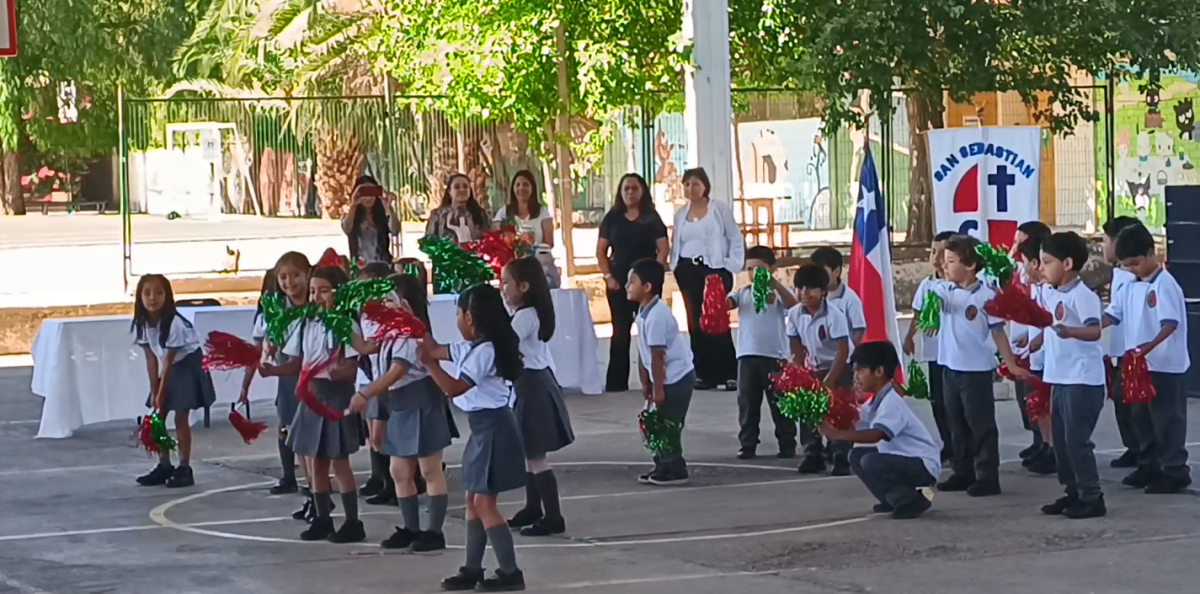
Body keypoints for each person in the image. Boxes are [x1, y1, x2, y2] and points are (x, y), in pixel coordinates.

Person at [419, 284, 527, 591]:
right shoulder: (471, 347)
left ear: (470, 317)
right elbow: (436, 348)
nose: (457, 321)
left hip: (494, 429)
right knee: (473, 499)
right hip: (483, 429)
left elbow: (453, 388)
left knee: (484, 502)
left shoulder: (485, 351)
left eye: (458, 315)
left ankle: (511, 572)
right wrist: (409, 323)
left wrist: (429, 365)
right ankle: (472, 568)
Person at [348, 273, 453, 554]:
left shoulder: (409, 334)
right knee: (398, 470)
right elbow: (382, 372)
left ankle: (434, 532)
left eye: (387, 299)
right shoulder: (385, 335)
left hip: (421, 402)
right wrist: (379, 413)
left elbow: (396, 371)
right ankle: (411, 528)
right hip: (399, 405)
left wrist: (364, 394)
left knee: (429, 469)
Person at [262, 265, 367, 543]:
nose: (316, 297)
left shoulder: (345, 324)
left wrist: (337, 373)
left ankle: (353, 522)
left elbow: (354, 366)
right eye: (312, 291)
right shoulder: (306, 323)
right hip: (312, 396)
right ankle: (322, 519)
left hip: (336, 398)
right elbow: (297, 363)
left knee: (340, 462)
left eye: (324, 291)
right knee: (316, 462)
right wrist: (272, 370)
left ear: (338, 293)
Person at [932, 235, 1025, 498]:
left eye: (951, 261)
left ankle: (987, 476)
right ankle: (963, 471)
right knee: (955, 421)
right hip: (949, 367)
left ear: (971, 265)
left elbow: (998, 332)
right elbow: (929, 311)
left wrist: (1010, 364)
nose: (944, 266)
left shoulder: (986, 296)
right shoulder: (943, 291)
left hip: (975, 370)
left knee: (980, 423)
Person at [1104, 223, 1192, 494]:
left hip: (1164, 365)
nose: (1131, 269)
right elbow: (1113, 314)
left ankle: (1174, 470)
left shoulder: (1165, 284)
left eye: (1135, 263)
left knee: (1166, 419)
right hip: (1137, 364)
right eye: (1126, 265)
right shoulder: (1129, 286)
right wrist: (1087, 327)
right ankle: (1148, 465)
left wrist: (1148, 347)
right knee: (1140, 416)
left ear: (1151, 253)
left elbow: (1169, 324)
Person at [821, 340, 942, 520]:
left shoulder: (891, 402)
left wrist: (837, 434)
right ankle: (891, 499)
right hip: (903, 459)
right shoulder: (874, 402)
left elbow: (876, 435)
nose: (856, 377)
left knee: (871, 461)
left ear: (879, 371)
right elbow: (856, 424)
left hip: (923, 465)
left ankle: (909, 500)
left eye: (860, 370)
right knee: (856, 456)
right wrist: (826, 416)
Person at [501, 257, 576, 536]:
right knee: (529, 452)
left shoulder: (525, 316)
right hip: (529, 384)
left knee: (535, 456)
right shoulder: (525, 313)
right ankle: (533, 507)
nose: (502, 288)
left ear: (524, 286)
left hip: (533, 386)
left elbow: (505, 344)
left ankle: (553, 516)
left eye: (506, 282)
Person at [1038, 231, 1108, 519]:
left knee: (1077, 440)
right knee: (1061, 441)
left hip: (1082, 379)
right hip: (1060, 376)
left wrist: (1070, 331)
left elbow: (1094, 330)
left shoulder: (1083, 296)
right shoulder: (1050, 292)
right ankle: (1073, 491)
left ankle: (1092, 496)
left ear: (1067, 263)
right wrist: (1036, 340)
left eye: (1047, 262)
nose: (1042, 268)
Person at [133, 274, 217, 489]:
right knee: (158, 416)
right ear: (139, 296)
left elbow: (169, 362)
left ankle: (184, 467)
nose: (153, 298)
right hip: (170, 366)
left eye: (159, 293)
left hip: (187, 364)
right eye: (147, 293)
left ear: (168, 296)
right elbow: (151, 359)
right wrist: (154, 391)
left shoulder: (174, 324)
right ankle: (164, 465)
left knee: (181, 415)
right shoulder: (142, 323)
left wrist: (161, 394)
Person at [248, 253, 315, 509]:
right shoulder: (276, 310)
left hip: (313, 374)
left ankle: (316, 488)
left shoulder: (317, 307)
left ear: (308, 275)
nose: (289, 282)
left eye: (296, 275)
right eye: (283, 277)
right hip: (288, 376)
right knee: (290, 429)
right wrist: (268, 355)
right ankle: (301, 483)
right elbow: (268, 343)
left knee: (312, 436)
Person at [669, 167, 745, 391]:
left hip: (714, 270)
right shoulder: (680, 214)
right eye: (686, 184)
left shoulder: (719, 209)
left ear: (705, 186)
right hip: (687, 270)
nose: (690, 188)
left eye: (695, 184)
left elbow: (734, 237)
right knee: (695, 322)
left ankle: (729, 372)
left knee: (716, 319)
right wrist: (676, 266)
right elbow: (677, 242)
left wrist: (730, 263)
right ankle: (703, 373)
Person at [596, 173, 669, 392]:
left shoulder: (651, 217)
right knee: (620, 331)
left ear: (642, 191)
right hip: (619, 284)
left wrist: (654, 276)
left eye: (634, 188)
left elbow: (663, 248)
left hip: (646, 286)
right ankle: (616, 382)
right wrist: (608, 276)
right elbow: (601, 251)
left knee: (649, 331)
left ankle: (653, 380)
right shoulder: (612, 218)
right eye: (626, 188)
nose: (630, 192)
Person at [629, 258, 696, 486]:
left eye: (632, 281)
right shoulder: (643, 313)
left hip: (676, 378)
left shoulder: (657, 315)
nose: (628, 286)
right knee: (657, 422)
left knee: (669, 423)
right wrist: (645, 382)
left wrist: (658, 389)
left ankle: (675, 467)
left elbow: (658, 356)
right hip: (661, 378)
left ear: (647, 287)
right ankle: (661, 464)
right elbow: (643, 351)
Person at [730, 246, 799, 460]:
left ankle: (787, 442)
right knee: (747, 404)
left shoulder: (777, 293)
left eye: (759, 269)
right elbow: (728, 303)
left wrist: (773, 284)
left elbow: (793, 306)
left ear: (771, 269)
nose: (754, 273)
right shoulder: (742, 292)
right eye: (750, 269)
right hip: (747, 355)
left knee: (780, 404)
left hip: (775, 356)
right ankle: (748, 443)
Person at [787, 265, 852, 476]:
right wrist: (799, 375)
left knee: (838, 413)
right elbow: (796, 345)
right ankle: (812, 453)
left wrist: (830, 381)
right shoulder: (794, 313)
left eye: (810, 288)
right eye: (799, 288)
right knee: (808, 411)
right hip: (812, 368)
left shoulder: (834, 315)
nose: (804, 293)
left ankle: (840, 455)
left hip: (838, 368)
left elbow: (843, 350)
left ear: (823, 291)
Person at [904, 231, 954, 462]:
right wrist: (909, 336)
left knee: (955, 402)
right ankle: (948, 443)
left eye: (941, 252)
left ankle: (962, 444)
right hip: (934, 353)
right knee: (939, 401)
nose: (936, 257)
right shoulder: (928, 284)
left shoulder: (956, 285)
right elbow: (918, 313)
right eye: (933, 251)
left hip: (954, 355)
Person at [356, 262, 401, 506]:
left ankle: (397, 485)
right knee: (375, 437)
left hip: (387, 380)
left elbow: (378, 343)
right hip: (373, 376)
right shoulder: (365, 310)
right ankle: (386, 483)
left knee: (384, 435)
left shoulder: (390, 307)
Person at [1102, 216, 1144, 469]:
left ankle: (1142, 451)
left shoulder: (1131, 277)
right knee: (1121, 402)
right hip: (1119, 349)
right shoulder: (1119, 274)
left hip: (1132, 350)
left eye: (1106, 241)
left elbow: (1117, 313)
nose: (1104, 247)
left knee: (1131, 403)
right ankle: (1133, 447)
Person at [1017, 237, 1057, 476]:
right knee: (1038, 405)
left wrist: (1040, 338)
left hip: (1048, 356)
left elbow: (1053, 320)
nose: (1023, 268)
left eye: (1024, 262)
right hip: (1037, 357)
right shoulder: (1036, 288)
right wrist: (1028, 337)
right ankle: (1045, 445)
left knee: (1047, 407)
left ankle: (1053, 450)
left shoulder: (1050, 288)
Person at [810, 246, 866, 346]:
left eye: (822, 272)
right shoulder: (812, 296)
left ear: (836, 272)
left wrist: (848, 352)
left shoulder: (850, 299)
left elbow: (859, 330)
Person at [340, 175, 399, 264]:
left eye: (371, 192)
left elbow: (395, 231)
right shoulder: (350, 216)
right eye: (364, 193)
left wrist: (388, 207)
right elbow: (347, 229)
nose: (368, 198)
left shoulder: (383, 215)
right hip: (360, 266)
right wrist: (353, 205)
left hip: (383, 265)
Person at [493, 170, 554, 248]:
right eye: (517, 185)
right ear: (513, 188)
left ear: (533, 188)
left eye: (526, 184)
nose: (521, 188)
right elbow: (495, 237)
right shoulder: (504, 211)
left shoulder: (542, 211)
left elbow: (549, 243)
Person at [425, 173, 491, 244]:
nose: (462, 189)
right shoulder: (437, 215)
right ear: (449, 191)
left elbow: (488, 239)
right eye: (457, 187)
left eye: (465, 187)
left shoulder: (481, 214)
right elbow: (429, 241)